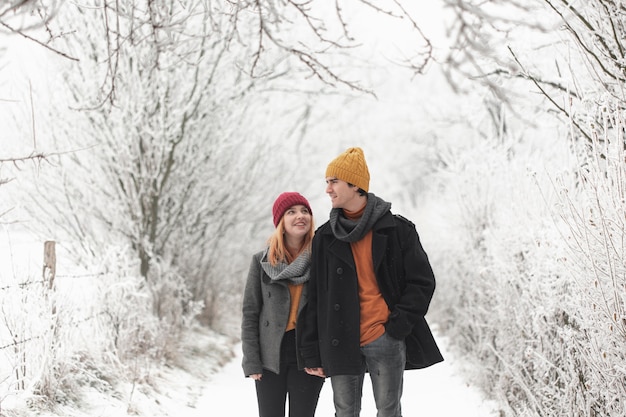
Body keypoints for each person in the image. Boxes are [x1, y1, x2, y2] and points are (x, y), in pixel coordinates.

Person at [300, 147, 443, 417]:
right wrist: (310, 350)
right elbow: (314, 295)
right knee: (345, 413)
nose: (327, 189)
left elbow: (422, 282)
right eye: (327, 182)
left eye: (334, 182)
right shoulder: (325, 237)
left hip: (384, 337)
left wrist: (397, 325)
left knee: (388, 412)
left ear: (355, 186)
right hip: (339, 339)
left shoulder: (398, 230)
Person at [241, 191, 325, 417]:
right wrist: (252, 360)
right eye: (292, 212)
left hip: (307, 352)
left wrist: (326, 356)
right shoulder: (262, 261)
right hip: (270, 356)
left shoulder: (321, 259)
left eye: (305, 211)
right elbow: (250, 312)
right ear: (280, 222)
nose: (301, 216)